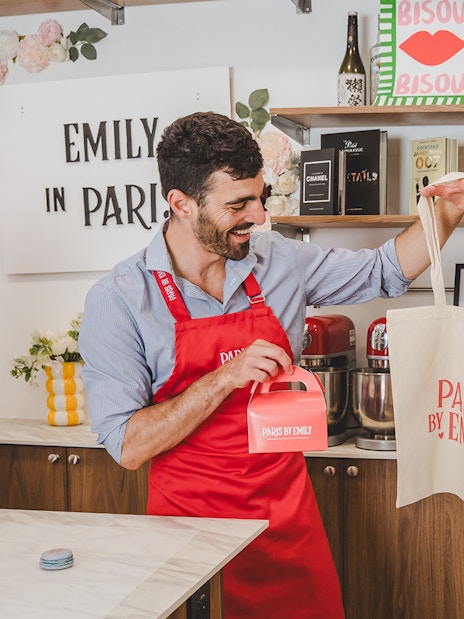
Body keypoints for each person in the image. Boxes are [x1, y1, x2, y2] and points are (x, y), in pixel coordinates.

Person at [79, 111, 464, 619]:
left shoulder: (278, 261)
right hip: (188, 541)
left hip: (286, 525)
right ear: (181, 204)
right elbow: (129, 445)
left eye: (260, 198)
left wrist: (449, 214)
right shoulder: (121, 299)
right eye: (238, 204)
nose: (258, 216)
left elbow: (384, 270)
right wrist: (224, 378)